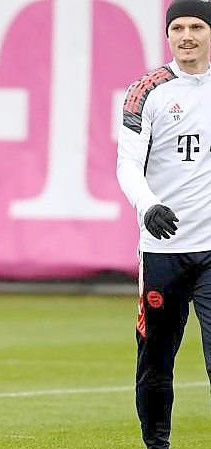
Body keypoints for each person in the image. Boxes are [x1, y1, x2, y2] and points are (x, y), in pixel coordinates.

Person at [117, 1, 211, 447]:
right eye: (178, 27)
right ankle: (157, 444)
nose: (187, 35)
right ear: (167, 34)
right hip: (163, 250)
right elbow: (127, 163)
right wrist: (148, 204)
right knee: (156, 360)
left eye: (196, 26)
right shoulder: (147, 91)